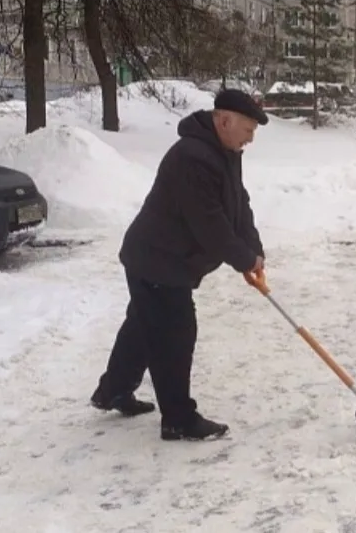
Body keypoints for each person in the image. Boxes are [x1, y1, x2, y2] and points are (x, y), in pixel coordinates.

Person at [90, 89, 269, 441]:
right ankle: (178, 419)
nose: (251, 139)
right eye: (248, 129)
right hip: (157, 260)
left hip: (168, 259)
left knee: (144, 325)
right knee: (175, 333)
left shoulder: (226, 152)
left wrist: (254, 250)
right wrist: (244, 259)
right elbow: (209, 224)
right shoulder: (192, 158)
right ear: (224, 121)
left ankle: (113, 390)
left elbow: (239, 204)